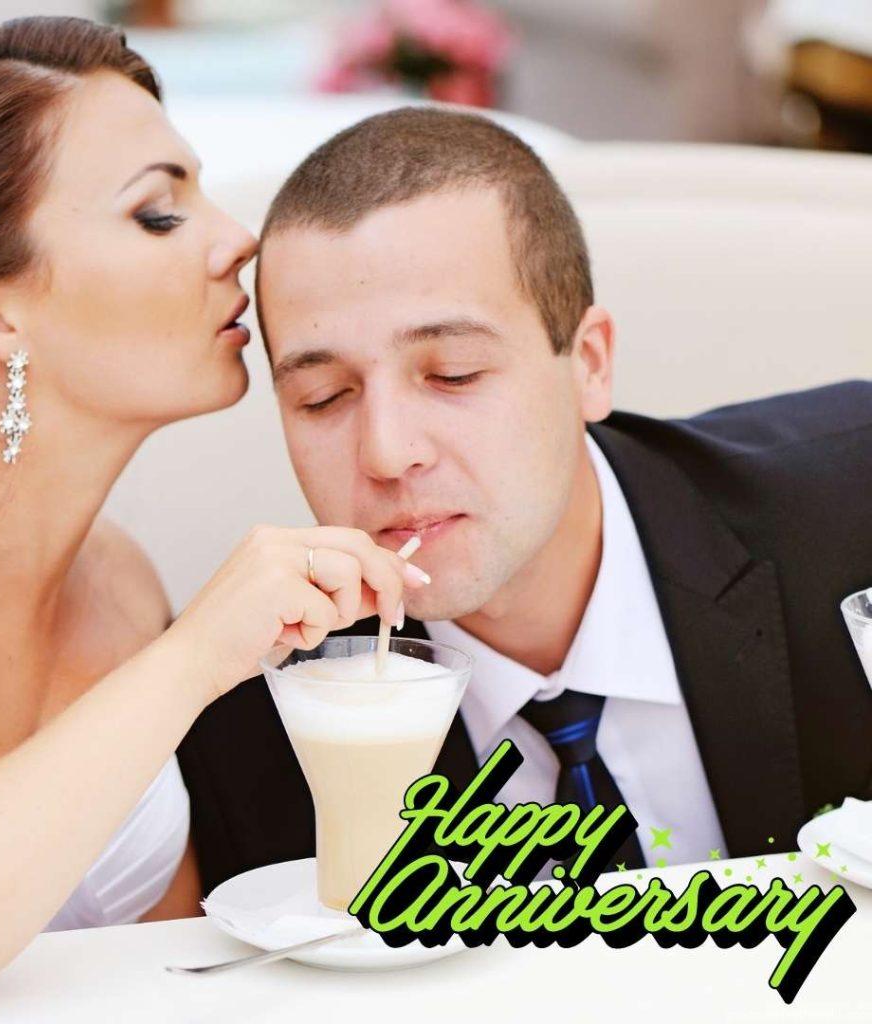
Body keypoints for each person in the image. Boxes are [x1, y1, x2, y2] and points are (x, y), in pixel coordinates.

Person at [0, 19, 429, 1024]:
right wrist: (197, 652)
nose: (236, 237)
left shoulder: (119, 583)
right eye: (158, 212)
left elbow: (169, 976)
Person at [178, 106, 872, 896]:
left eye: (453, 374)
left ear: (590, 364)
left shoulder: (855, 508)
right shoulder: (246, 718)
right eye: (323, 395)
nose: (385, 451)